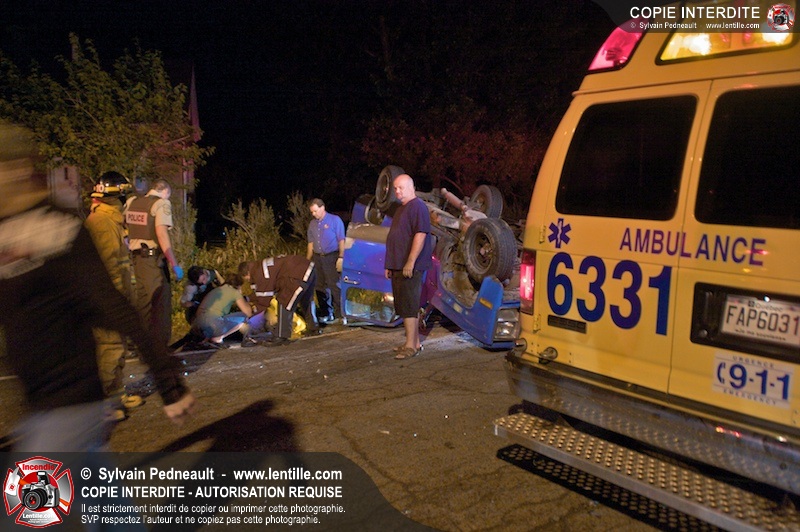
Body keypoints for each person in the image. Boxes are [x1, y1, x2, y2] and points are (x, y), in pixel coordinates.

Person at [0, 120, 196, 451]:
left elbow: (108, 299)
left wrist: (166, 379)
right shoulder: (15, 231)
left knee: (31, 488)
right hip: (44, 405)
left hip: (68, 404)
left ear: (15, 169)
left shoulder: (61, 227)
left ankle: (112, 398)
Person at [85, 171, 143, 421]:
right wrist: (116, 302)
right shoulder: (102, 222)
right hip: (107, 300)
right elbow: (107, 268)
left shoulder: (111, 220)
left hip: (114, 298)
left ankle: (116, 395)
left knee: (118, 347)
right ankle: (100, 405)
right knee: (109, 348)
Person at [125, 178, 183, 350]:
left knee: (143, 303)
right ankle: (160, 349)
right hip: (153, 260)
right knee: (160, 303)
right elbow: (162, 235)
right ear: (165, 192)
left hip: (137, 260)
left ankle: (140, 344)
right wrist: (174, 264)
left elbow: (124, 230)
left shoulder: (131, 202)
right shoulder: (161, 204)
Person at [384, 173, 433, 360]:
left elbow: (420, 234)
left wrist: (410, 261)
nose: (397, 191)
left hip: (410, 266)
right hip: (398, 265)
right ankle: (413, 342)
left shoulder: (418, 207)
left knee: (409, 305)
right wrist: (390, 264)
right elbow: (395, 237)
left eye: (401, 188)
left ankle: (411, 346)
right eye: (395, 188)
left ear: (411, 187)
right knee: (404, 305)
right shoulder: (400, 209)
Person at [238, 255, 320, 343]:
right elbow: (260, 292)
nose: (248, 281)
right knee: (306, 300)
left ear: (247, 273)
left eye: (247, 279)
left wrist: (253, 311)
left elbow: (264, 298)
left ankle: (281, 335)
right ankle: (313, 327)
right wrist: (247, 298)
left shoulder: (258, 273)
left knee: (284, 301)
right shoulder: (258, 267)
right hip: (307, 267)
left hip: (297, 273)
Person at [306, 198, 345, 324]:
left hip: (331, 256)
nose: (314, 214)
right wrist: (307, 260)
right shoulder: (312, 224)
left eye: (315, 211)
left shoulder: (334, 220)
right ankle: (326, 313)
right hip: (318, 257)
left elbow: (341, 239)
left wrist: (341, 256)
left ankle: (341, 314)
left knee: (335, 285)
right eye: (312, 212)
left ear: (322, 208)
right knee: (320, 285)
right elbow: (311, 243)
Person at [191, 273, 254, 346]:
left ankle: (206, 338)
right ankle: (219, 338)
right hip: (215, 325)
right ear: (238, 285)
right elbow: (248, 313)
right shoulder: (234, 292)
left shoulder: (216, 290)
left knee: (217, 318)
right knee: (243, 316)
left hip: (198, 324)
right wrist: (243, 296)